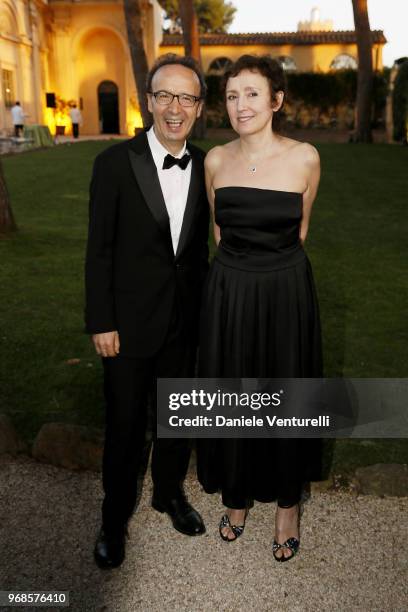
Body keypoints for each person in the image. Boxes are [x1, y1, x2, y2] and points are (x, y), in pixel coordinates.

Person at [85, 53, 209, 569]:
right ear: (148, 101)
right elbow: (100, 250)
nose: (175, 107)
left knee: (179, 421)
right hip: (128, 327)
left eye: (187, 97)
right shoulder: (114, 162)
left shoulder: (208, 166)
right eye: (165, 95)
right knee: (125, 426)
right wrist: (101, 321)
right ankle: (114, 518)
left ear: (199, 107)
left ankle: (168, 494)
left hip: (187, 322)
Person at [197, 55, 322, 562]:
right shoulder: (214, 161)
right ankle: (236, 495)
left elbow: (302, 228)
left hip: (285, 291)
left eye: (251, 93)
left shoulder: (306, 157)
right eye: (231, 95)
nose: (240, 105)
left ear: (276, 100)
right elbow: (219, 231)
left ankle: (287, 506)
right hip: (229, 290)